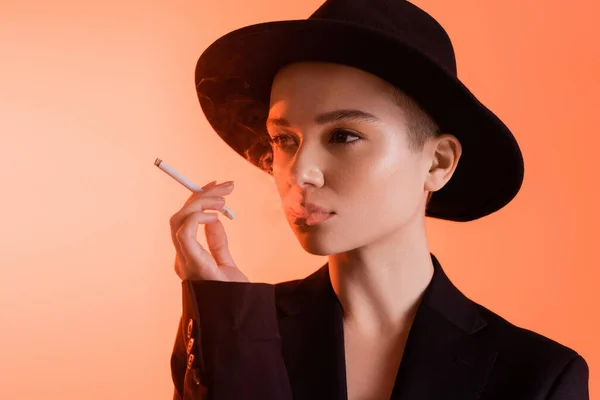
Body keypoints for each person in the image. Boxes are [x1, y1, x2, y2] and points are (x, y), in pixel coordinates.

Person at [168, 0, 590, 399]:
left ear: (437, 162)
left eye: (343, 136)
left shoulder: (535, 376)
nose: (299, 172)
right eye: (283, 140)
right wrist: (231, 332)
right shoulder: (231, 330)